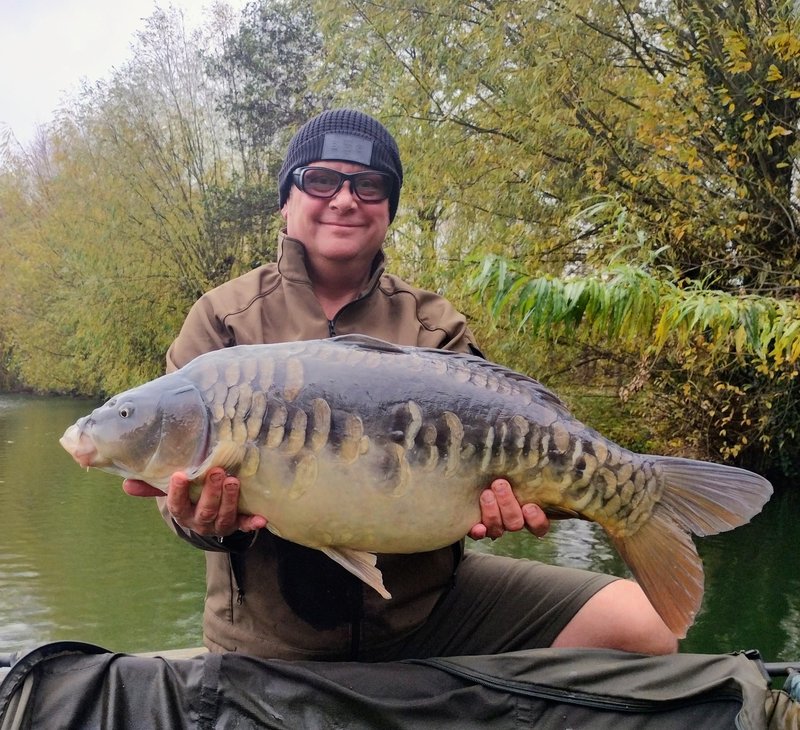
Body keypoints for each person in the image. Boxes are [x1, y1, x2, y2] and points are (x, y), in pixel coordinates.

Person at [124, 109, 677, 661]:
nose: (345, 200)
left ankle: (633, 494)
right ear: (286, 201)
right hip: (269, 636)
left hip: (429, 614)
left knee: (642, 628)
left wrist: (528, 504)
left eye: (369, 186)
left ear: (388, 210)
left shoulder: (433, 324)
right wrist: (198, 520)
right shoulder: (224, 319)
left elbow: (495, 476)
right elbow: (179, 506)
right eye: (320, 181)